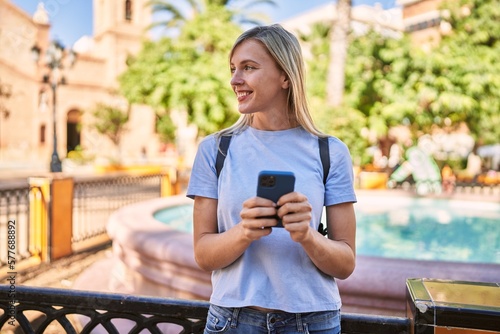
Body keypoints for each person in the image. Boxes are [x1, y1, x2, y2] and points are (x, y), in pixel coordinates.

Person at [187, 24, 357, 334]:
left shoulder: (330, 151)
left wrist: (307, 234)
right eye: (233, 69)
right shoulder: (215, 149)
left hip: (313, 322)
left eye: (248, 68)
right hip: (232, 321)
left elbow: (345, 264)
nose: (235, 79)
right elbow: (203, 254)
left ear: (285, 77)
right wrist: (245, 231)